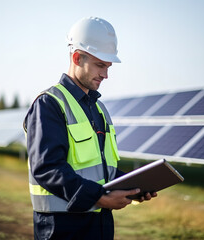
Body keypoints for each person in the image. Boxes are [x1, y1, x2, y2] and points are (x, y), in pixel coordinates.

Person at [23, 16, 156, 240]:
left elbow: (102, 169)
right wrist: (100, 198)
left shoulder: (99, 109)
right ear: (77, 57)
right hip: (61, 227)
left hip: (99, 224)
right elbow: (47, 168)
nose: (106, 74)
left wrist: (136, 186)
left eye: (108, 66)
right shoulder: (50, 104)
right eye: (100, 65)